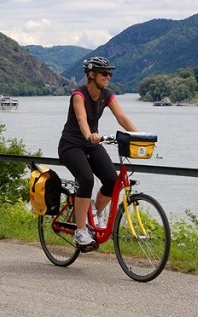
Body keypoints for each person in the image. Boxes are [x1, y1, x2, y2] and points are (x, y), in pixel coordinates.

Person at [58, 56, 138, 250]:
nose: (108, 76)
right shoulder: (79, 94)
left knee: (112, 179)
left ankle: (94, 213)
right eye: (104, 73)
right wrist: (89, 135)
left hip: (91, 144)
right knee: (86, 179)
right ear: (92, 74)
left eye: (110, 73)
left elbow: (121, 117)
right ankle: (80, 231)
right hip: (71, 145)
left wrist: (139, 135)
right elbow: (81, 119)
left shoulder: (107, 94)